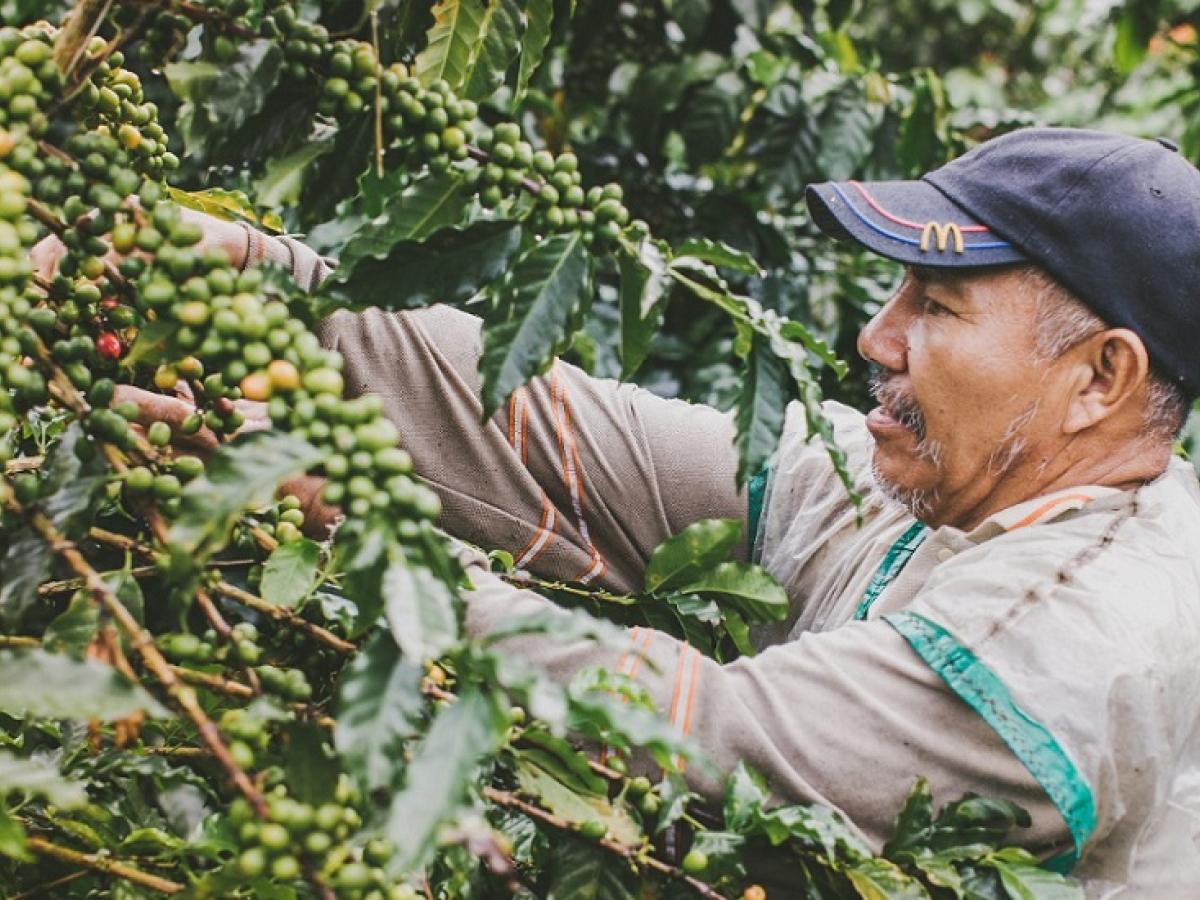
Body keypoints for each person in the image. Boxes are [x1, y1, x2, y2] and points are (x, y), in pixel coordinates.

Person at [72, 128, 1200, 895]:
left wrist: (366, 543)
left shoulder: (1081, 644)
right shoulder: (950, 484)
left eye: (937, 306)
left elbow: (712, 736)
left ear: (1100, 377)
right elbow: (561, 439)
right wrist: (271, 287)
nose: (878, 337)